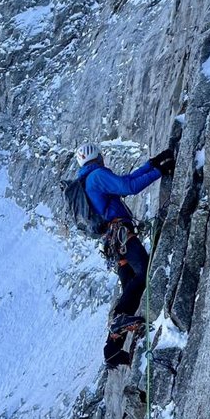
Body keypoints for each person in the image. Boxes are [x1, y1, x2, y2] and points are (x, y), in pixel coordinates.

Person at [74, 143, 176, 368]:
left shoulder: (86, 181)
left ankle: (111, 351)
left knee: (131, 286)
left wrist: (151, 164)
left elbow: (125, 181)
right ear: (97, 157)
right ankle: (119, 320)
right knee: (145, 272)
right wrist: (159, 171)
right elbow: (128, 186)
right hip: (121, 234)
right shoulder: (97, 176)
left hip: (111, 242)